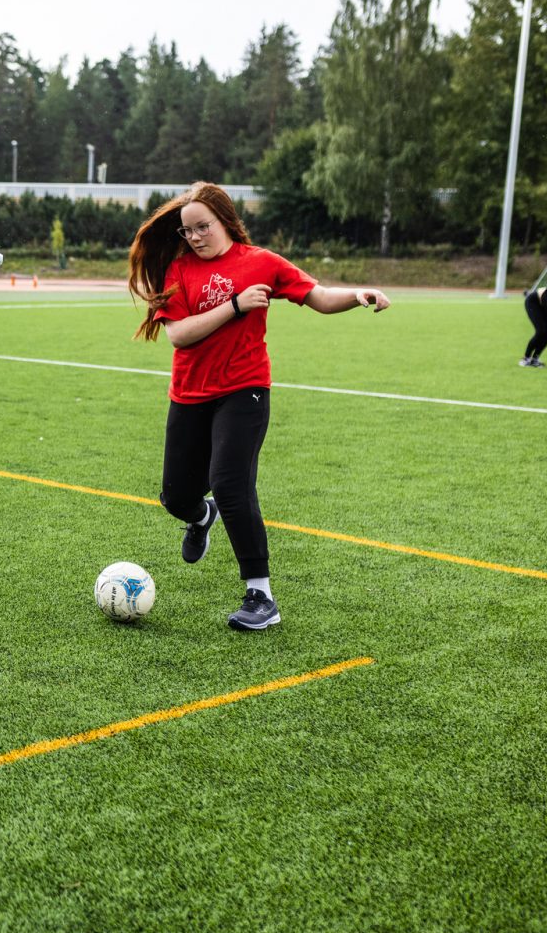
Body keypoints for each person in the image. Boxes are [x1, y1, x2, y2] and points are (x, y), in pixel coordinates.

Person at [128, 182, 390, 632]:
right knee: (175, 497)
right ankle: (200, 516)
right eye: (187, 230)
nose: (194, 237)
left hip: (244, 389)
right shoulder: (178, 270)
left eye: (202, 227)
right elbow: (179, 334)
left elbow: (320, 297)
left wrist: (356, 295)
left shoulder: (263, 263)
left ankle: (260, 595)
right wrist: (234, 304)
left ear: (225, 221)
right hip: (189, 394)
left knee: (229, 483)